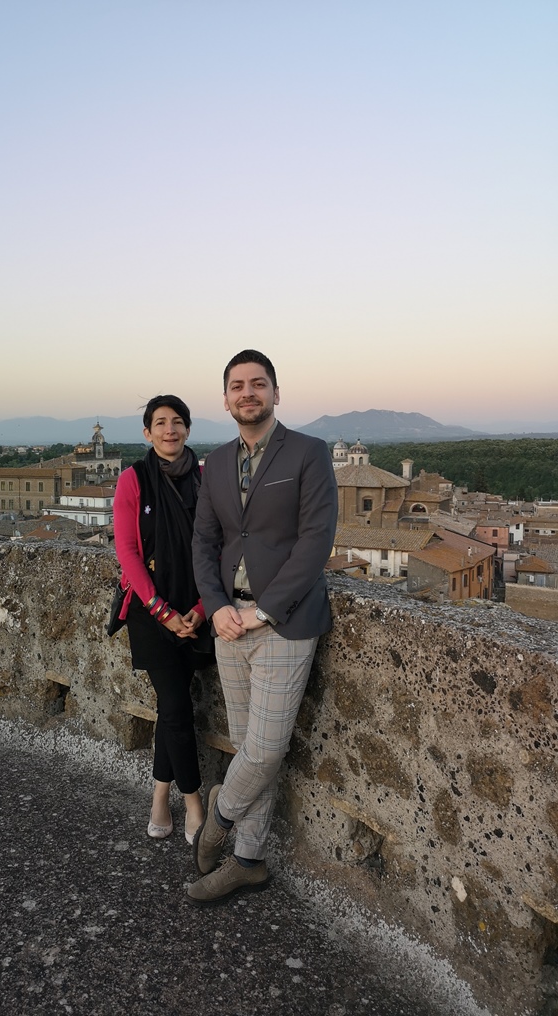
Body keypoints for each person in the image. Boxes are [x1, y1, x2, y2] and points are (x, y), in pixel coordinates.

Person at [188, 349, 338, 904]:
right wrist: (216, 606)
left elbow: (316, 540)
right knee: (248, 743)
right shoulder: (216, 463)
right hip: (229, 622)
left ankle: (219, 819)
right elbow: (205, 540)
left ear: (276, 392)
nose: (247, 393)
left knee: (266, 750)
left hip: (284, 621)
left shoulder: (308, 452)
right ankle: (248, 862)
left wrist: (264, 610)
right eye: (237, 385)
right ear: (226, 399)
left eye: (257, 383)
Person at [113, 394, 211, 845]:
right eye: (160, 422)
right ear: (147, 432)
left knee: (171, 709)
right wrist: (163, 613)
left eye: (177, 422)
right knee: (175, 705)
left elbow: (219, 547)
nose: (169, 429)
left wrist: (202, 609)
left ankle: (158, 795)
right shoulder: (133, 480)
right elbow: (128, 552)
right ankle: (193, 803)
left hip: (194, 612)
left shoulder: (205, 480)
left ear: (188, 429)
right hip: (151, 613)